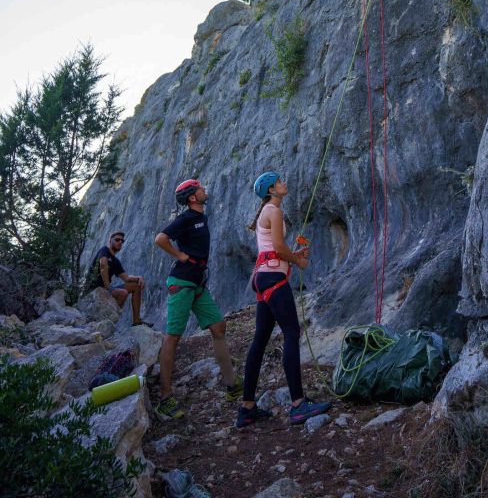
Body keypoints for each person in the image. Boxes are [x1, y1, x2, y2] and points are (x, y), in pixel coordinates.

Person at [236, 171, 332, 428]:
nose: (284, 183)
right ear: (271, 190)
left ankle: (247, 407)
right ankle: (298, 405)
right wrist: (298, 259)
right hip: (273, 280)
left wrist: (292, 254)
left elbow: (274, 248)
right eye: (279, 182)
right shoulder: (274, 211)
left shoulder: (267, 211)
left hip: (264, 278)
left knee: (260, 340)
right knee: (291, 333)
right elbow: (278, 247)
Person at [153, 178, 242, 420]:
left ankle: (232, 384)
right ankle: (165, 398)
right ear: (193, 197)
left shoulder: (201, 217)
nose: (205, 191)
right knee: (173, 337)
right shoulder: (186, 219)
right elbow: (160, 239)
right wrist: (180, 255)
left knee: (218, 326)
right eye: (200, 189)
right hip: (182, 283)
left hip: (197, 283)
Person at [85, 230, 152, 327]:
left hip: (106, 289)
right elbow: (103, 265)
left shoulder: (116, 262)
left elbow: (127, 278)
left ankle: (136, 321)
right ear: (110, 241)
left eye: (122, 241)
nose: (120, 242)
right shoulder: (104, 250)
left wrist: (139, 277)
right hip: (94, 290)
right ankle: (109, 320)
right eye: (117, 240)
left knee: (136, 286)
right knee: (123, 293)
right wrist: (107, 286)